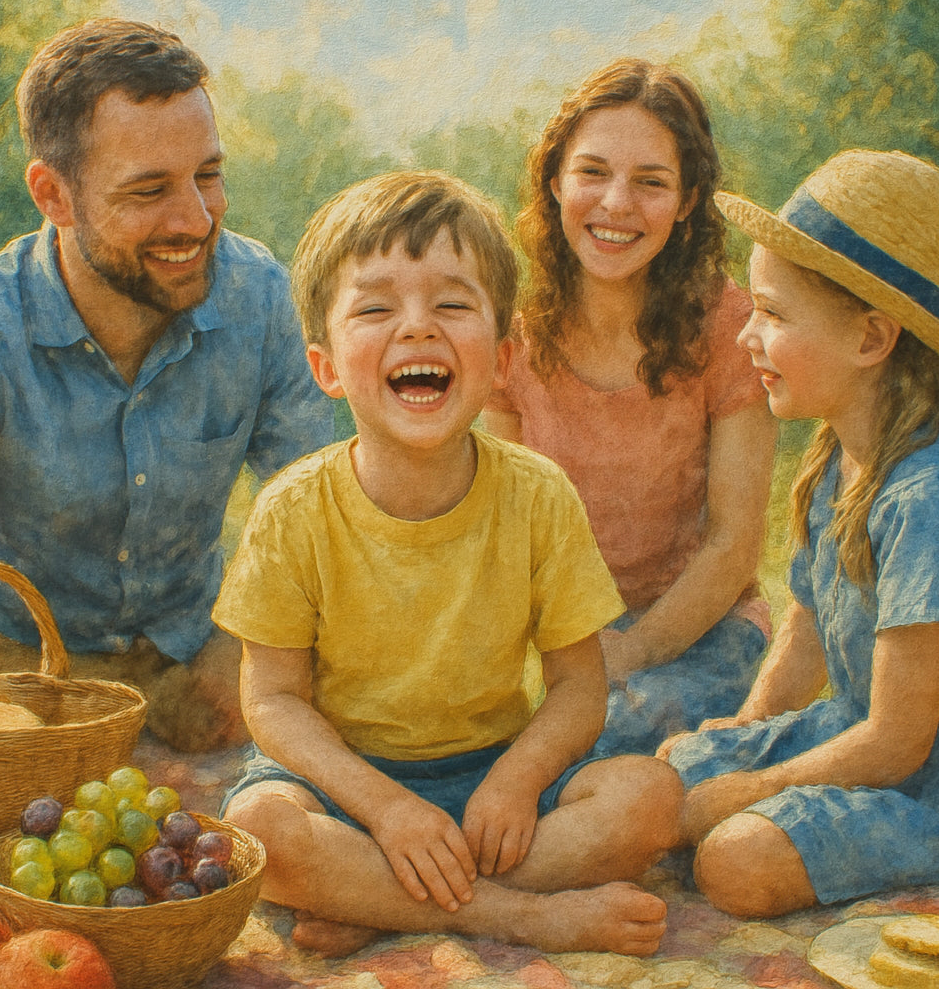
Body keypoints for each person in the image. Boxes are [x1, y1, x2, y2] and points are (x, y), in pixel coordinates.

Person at [214, 170, 682, 958]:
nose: (417, 329)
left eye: (452, 304)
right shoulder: (293, 510)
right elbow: (274, 702)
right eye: (376, 307)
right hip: (345, 787)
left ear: (501, 359)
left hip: (488, 793)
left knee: (651, 799)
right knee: (254, 834)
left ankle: (382, 900)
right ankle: (508, 914)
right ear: (326, 367)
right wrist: (388, 810)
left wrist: (519, 779)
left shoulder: (538, 494)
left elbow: (578, 687)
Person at [0, 19, 332, 752]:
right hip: (12, 693)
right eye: (149, 190)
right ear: (53, 196)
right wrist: (123, 694)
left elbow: (317, 520)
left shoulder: (260, 298)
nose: (195, 217)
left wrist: (235, 649)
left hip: (205, 679)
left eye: (208, 175)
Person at [649, 149, 939, 918]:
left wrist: (752, 791)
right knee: (667, 772)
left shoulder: (929, 496)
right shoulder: (841, 451)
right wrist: (753, 727)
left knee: (736, 860)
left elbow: (899, 742)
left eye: (773, 314)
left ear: (871, 340)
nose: (744, 339)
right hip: (853, 735)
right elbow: (807, 626)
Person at [482, 58, 777, 755]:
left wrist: (633, 650)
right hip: (568, 646)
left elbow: (734, 547)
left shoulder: (728, 326)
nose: (616, 203)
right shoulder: (515, 334)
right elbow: (498, 521)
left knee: (593, 747)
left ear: (687, 201)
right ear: (554, 180)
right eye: (592, 172)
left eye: (651, 182)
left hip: (701, 636)